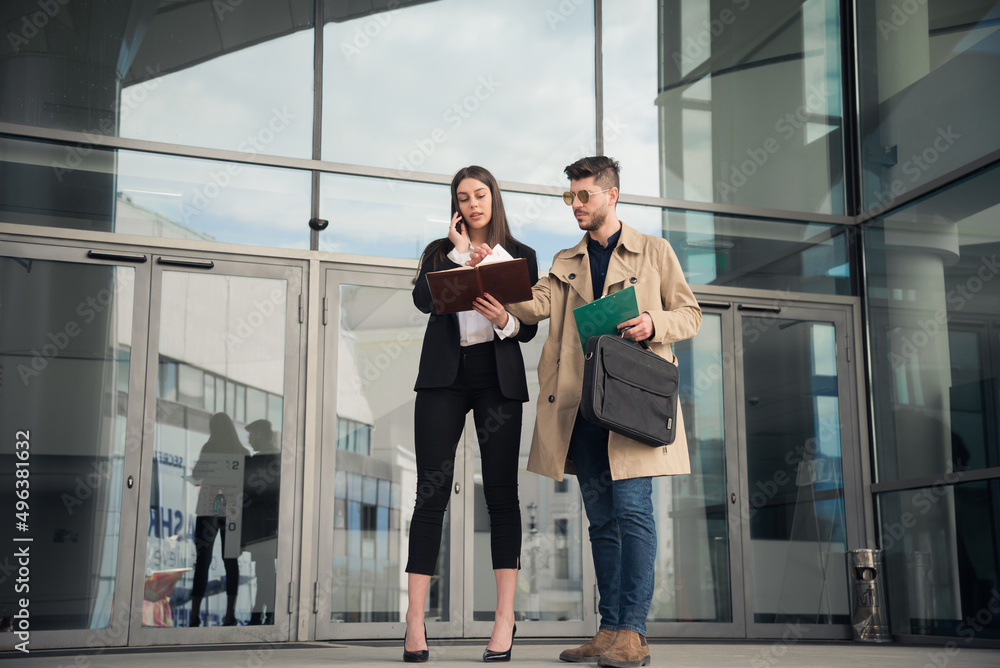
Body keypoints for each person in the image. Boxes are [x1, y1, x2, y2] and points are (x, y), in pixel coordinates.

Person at [470, 156, 702, 667]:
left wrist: (651, 322)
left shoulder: (655, 252)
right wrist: (496, 285)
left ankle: (633, 634)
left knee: (635, 514)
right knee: (601, 522)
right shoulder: (564, 259)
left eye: (584, 196)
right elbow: (534, 303)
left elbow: (690, 313)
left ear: (611, 194)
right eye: (569, 197)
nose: (575, 205)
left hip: (634, 405)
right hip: (583, 410)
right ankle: (608, 628)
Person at [405, 165, 538, 662]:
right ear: (455, 205)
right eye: (463, 197)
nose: (472, 203)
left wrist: (504, 318)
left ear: (493, 198)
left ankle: (504, 620)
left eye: (480, 194)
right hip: (445, 377)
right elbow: (423, 300)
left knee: (502, 496)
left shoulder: (521, 255)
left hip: (496, 379)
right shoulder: (440, 252)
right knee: (430, 494)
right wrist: (460, 257)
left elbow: (526, 328)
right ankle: (414, 623)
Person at [189, 412, 250, 627]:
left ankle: (194, 614)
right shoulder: (242, 452)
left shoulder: (209, 449)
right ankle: (229, 615)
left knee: (202, 562)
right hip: (233, 510)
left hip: (208, 508)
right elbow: (249, 485)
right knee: (231, 561)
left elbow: (196, 475)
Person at [241, 419, 280, 625]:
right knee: (264, 571)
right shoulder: (276, 458)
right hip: (268, 523)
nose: (249, 439)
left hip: (264, 524)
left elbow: (253, 491)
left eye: (252, 434)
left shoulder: (264, 459)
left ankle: (264, 613)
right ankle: (262, 613)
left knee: (264, 571)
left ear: (262, 435)